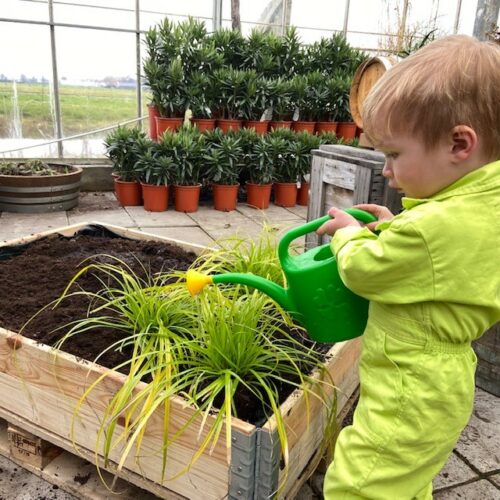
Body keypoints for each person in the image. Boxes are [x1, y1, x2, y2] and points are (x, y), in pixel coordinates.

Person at [317, 35, 500, 499]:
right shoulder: (482, 207)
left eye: (394, 154)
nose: (385, 170)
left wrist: (347, 236)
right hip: (444, 384)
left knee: (358, 484)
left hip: (408, 385)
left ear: (459, 143)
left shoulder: (432, 228)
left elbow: (364, 270)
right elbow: (446, 256)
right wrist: (402, 224)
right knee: (404, 480)